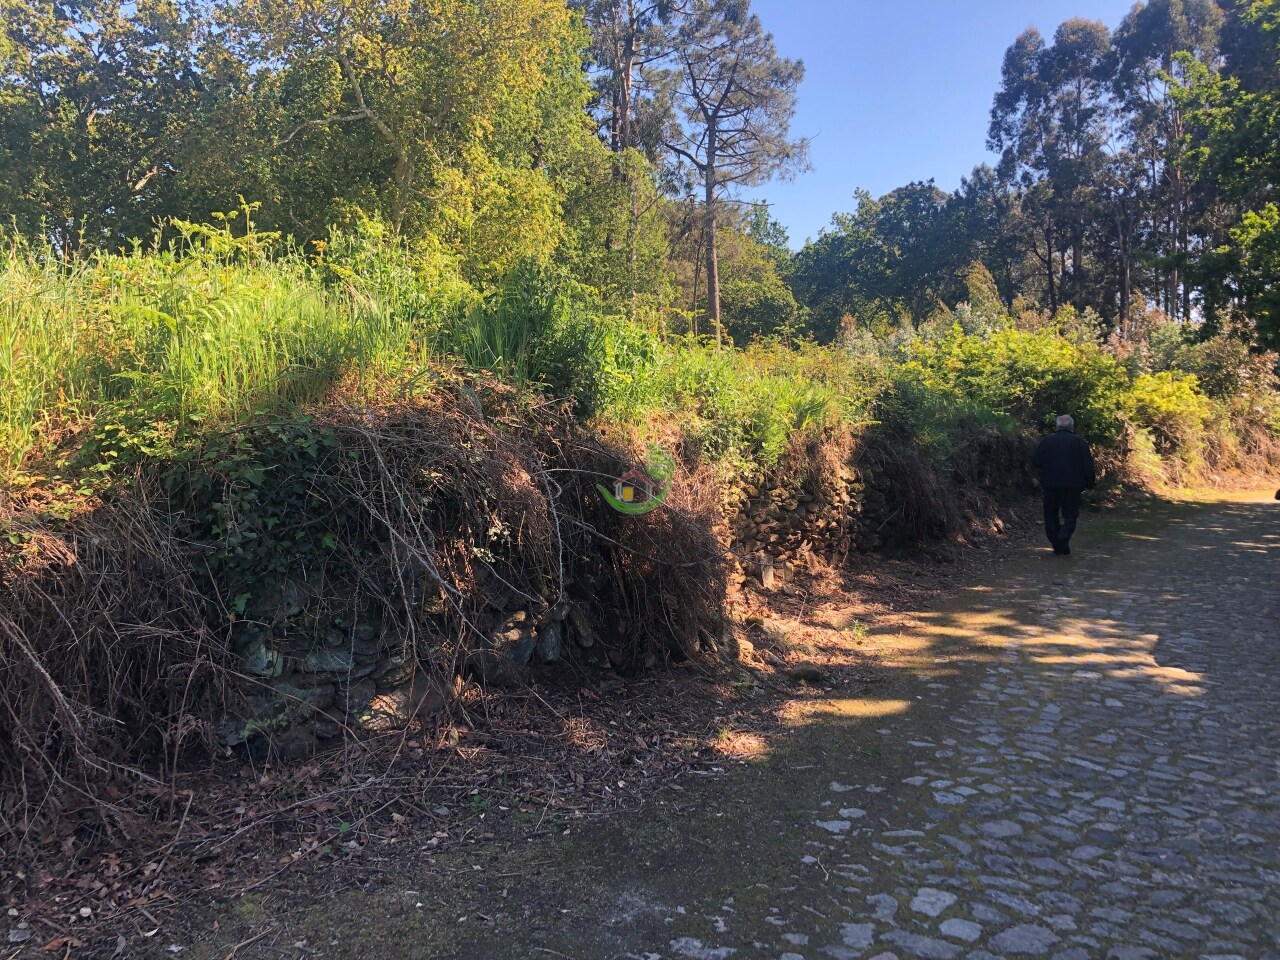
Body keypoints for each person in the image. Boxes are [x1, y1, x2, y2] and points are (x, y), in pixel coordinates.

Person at [1032, 414, 1096, 555]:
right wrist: (1090, 485)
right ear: (1072, 427)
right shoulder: (1080, 443)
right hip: (1073, 486)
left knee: (1050, 514)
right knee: (1070, 515)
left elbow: (1036, 461)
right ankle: (1062, 539)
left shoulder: (1046, 441)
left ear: (1057, 426)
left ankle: (1057, 542)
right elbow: (1088, 466)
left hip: (1050, 484)